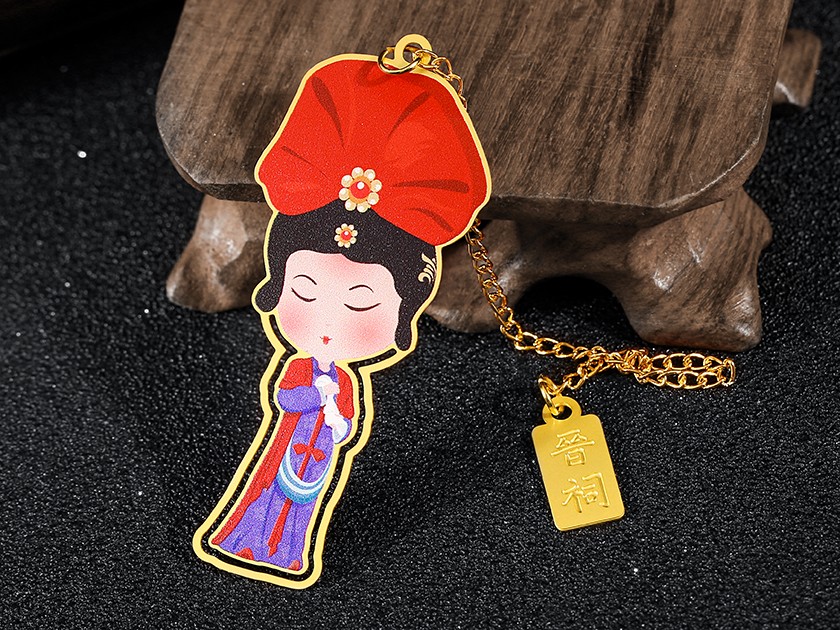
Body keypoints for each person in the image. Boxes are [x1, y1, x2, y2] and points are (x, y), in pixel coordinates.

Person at [194, 55, 490, 587]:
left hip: (316, 461)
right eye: (304, 291)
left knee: (301, 512)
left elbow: (348, 431)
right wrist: (318, 398)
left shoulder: (348, 383)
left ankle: (286, 551)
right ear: (277, 285)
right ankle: (248, 539)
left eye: (361, 304)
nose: (328, 321)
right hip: (286, 452)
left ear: (402, 314)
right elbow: (285, 399)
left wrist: (336, 418)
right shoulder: (306, 369)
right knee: (267, 495)